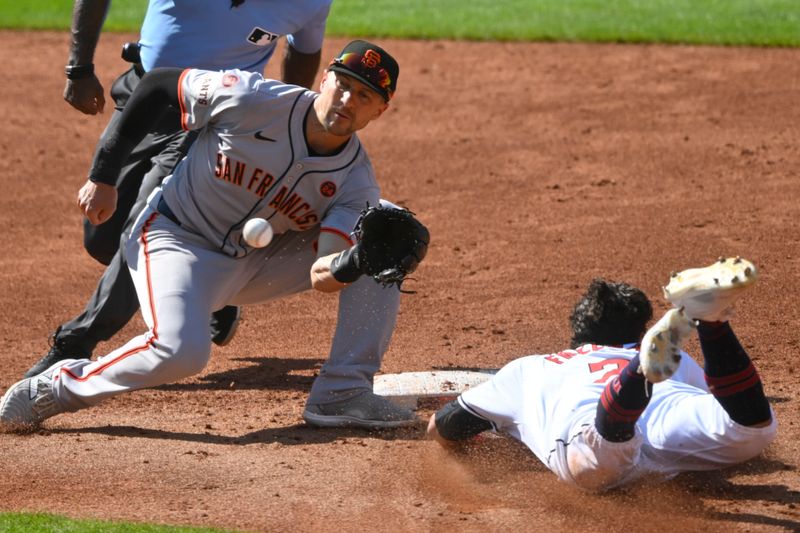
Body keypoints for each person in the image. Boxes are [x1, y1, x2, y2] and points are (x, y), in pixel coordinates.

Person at [1, 40, 427, 430]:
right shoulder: (253, 98)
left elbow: (323, 272)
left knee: (381, 229)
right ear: (324, 80)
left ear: (380, 111)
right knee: (181, 352)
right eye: (344, 85)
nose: (348, 100)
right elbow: (160, 85)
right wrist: (105, 175)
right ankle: (53, 390)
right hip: (174, 236)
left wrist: (354, 261)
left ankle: (342, 392)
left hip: (253, 266)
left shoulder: (355, 181)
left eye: (365, 95)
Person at [26, 0, 333, 378]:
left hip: (217, 120)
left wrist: (278, 124)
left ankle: (73, 344)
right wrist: (79, 66)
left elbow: (303, 49)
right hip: (148, 95)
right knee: (102, 238)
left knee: (145, 229)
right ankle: (210, 283)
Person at [427, 257, 777, 491]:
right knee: (750, 428)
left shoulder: (528, 369)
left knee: (594, 468)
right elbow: (721, 399)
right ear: (639, 335)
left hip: (589, 425)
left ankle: (636, 377)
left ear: (576, 336)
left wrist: (496, 433)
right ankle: (711, 322)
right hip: (667, 410)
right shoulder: (678, 359)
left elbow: (445, 427)